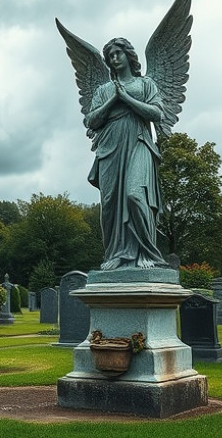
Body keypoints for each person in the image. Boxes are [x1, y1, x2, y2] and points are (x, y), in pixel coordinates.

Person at [84, 37, 167, 270]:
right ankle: (115, 254)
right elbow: (91, 121)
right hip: (110, 149)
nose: (114, 58)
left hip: (139, 143)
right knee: (109, 204)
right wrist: (113, 99)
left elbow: (156, 114)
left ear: (128, 55)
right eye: (110, 56)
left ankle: (147, 252)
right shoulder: (104, 90)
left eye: (118, 53)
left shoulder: (145, 84)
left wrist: (127, 98)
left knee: (134, 195)